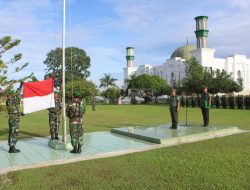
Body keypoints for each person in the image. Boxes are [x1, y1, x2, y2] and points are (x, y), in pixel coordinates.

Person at [6, 83, 24, 153]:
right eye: (10, 95)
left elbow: (17, 94)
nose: (12, 96)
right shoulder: (10, 102)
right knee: (14, 133)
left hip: (14, 119)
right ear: (9, 96)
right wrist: (20, 113)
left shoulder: (11, 101)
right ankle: (11, 148)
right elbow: (13, 112)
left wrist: (20, 86)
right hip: (13, 119)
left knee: (13, 133)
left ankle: (12, 147)